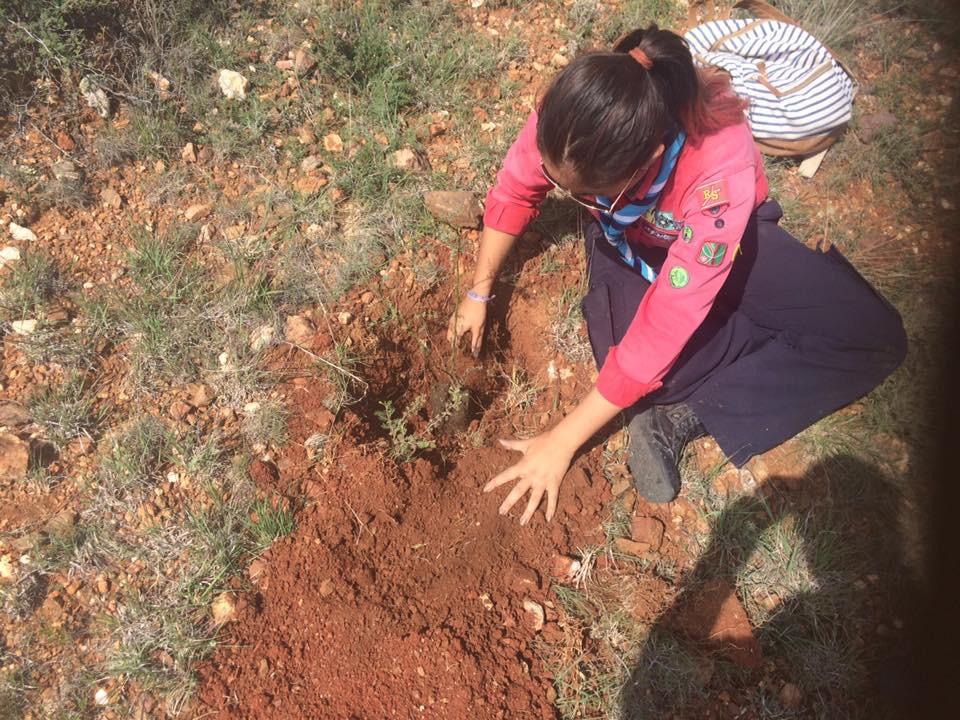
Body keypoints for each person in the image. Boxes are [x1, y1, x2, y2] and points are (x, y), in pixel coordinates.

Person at [447, 25, 906, 525]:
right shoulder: (577, 113)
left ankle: (693, 404)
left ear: (646, 161)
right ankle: (710, 363)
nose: (571, 197)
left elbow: (668, 321)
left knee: (871, 337)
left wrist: (561, 441)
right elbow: (516, 190)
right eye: (565, 187)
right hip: (634, 240)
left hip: (724, 237)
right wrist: (478, 291)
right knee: (624, 364)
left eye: (588, 193)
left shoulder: (716, 170)